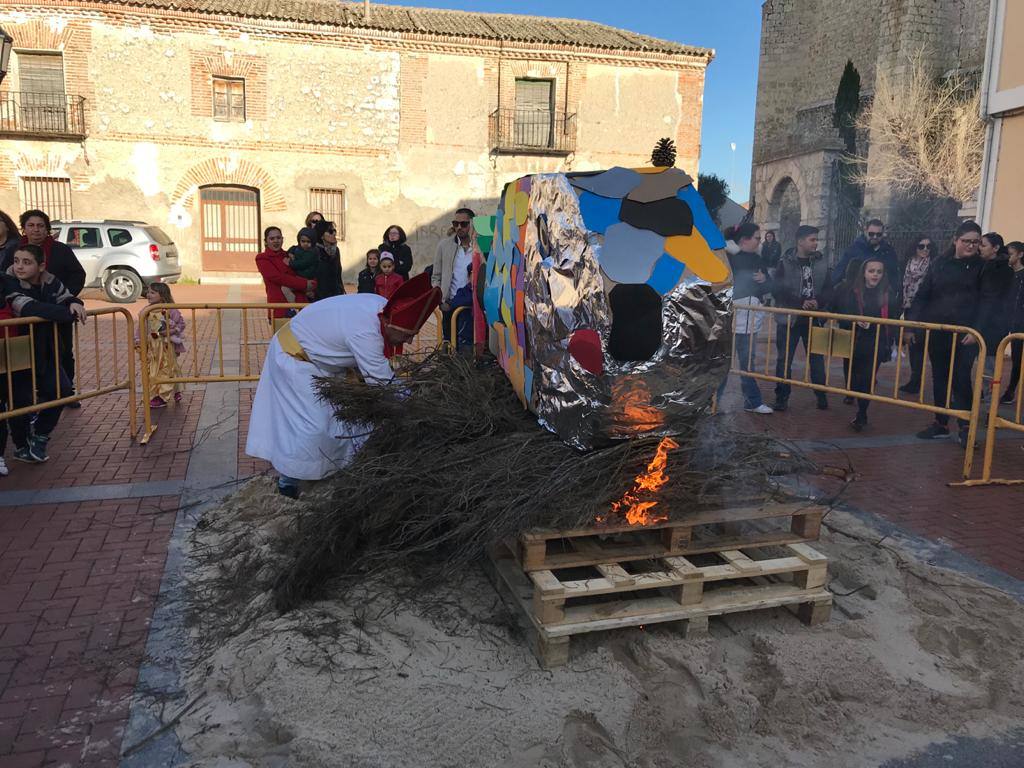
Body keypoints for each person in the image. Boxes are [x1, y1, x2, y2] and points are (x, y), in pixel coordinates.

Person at [245, 273, 441, 498]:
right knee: (312, 426)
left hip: (322, 360)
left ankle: (334, 471)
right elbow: (383, 383)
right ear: (391, 326)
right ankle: (289, 482)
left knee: (343, 419)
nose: (408, 342)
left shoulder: (382, 308)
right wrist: (416, 407)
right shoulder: (366, 333)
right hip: (296, 359)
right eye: (407, 335)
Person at [4, 243, 87, 463]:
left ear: (41, 266)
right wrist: (65, 313)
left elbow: (65, 296)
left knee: (62, 390)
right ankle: (21, 446)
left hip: (45, 349)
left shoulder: (51, 280)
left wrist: (74, 302)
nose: (19, 266)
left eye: (26, 262)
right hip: (16, 349)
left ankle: (39, 438)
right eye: (17, 261)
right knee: (19, 401)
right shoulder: (8, 282)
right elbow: (27, 307)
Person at [907, 221, 985, 445]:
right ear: (955, 240)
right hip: (938, 331)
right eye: (966, 241)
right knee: (939, 378)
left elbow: (987, 301)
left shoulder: (982, 267)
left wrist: (977, 330)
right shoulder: (939, 263)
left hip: (966, 334)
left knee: (961, 379)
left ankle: (966, 427)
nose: (971, 246)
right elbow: (922, 295)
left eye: (976, 242)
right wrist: (912, 325)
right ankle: (940, 423)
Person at [11, 210, 86, 407]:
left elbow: (76, 275)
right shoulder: (14, 251)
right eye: (31, 225)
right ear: (24, 229)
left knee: (63, 352)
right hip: (25, 320)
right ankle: (36, 396)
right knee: (27, 358)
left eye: (40, 225)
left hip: (57, 312)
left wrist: (69, 300)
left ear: (47, 228)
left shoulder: (61, 250)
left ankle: (66, 392)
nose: (36, 229)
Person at [770, 224, 831, 411]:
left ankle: (821, 395)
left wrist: (818, 301)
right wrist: (800, 302)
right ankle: (782, 396)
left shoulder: (822, 262)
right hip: (790, 318)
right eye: (812, 240)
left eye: (816, 240)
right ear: (800, 241)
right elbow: (778, 290)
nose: (816, 243)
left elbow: (830, 289)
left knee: (817, 360)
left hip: (815, 318)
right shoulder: (785, 262)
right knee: (784, 359)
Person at [831, 258, 893, 432]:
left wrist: (891, 339)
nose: (875, 275)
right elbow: (841, 311)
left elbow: (893, 319)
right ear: (863, 273)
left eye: (879, 272)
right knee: (853, 374)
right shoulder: (851, 291)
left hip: (876, 342)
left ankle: (862, 413)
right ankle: (852, 393)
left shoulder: (888, 293)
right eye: (871, 271)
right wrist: (854, 321)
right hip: (854, 340)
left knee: (867, 378)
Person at [721, 223, 773, 414]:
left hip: (751, 320)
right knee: (723, 363)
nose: (761, 241)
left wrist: (765, 280)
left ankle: (752, 401)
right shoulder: (727, 256)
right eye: (757, 238)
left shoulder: (757, 259)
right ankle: (712, 402)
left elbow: (770, 287)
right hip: (730, 318)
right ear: (744, 240)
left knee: (747, 362)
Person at [898, 236, 937, 393]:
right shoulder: (906, 264)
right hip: (907, 307)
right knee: (913, 346)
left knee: (926, 346)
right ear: (915, 247)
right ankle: (915, 380)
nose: (925, 250)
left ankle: (936, 383)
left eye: (929, 246)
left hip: (927, 310)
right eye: (921, 246)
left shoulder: (933, 264)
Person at [138, 282, 185, 409]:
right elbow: (142, 327)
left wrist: (170, 331)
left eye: (153, 292)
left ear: (162, 295)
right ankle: (159, 393)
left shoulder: (170, 309)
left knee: (167, 369)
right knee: (153, 371)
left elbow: (180, 324)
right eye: (148, 291)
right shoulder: (146, 311)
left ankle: (162, 397)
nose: (148, 294)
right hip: (152, 348)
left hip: (166, 347)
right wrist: (138, 340)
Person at [433, 207, 475, 344]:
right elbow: (436, 276)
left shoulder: (481, 246)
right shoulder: (444, 246)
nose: (459, 227)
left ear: (472, 224)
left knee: (469, 346)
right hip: (449, 304)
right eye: (455, 224)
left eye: (464, 224)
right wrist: (440, 300)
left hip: (473, 305)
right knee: (449, 344)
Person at [256, 226, 314, 320]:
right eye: (272, 238)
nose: (276, 241)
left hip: (301, 305)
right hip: (280, 308)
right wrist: (304, 284)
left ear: (282, 239)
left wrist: (312, 285)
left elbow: (304, 271)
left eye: (278, 238)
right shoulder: (262, 258)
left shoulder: (290, 254)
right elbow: (278, 278)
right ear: (266, 241)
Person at [977, 232, 1013, 374]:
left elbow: (992, 298)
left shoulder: (1003, 270)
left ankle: (987, 395)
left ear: (995, 248)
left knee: (989, 365)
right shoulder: (982, 265)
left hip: (993, 325)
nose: (979, 248)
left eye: (983, 245)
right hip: (981, 321)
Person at [831, 219, 899, 293]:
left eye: (878, 234)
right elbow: (840, 269)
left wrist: (895, 292)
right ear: (865, 231)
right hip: (857, 294)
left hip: (880, 294)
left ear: (882, 234)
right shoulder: (854, 249)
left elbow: (894, 274)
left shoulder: (888, 251)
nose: (875, 237)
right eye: (871, 234)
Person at [1001, 241, 1024, 404]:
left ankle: (1010, 390)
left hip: (1020, 322)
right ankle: (1000, 389)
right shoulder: (1007, 274)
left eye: (1010, 254)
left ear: (1020, 255)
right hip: (1007, 319)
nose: (1007, 258)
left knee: (1017, 358)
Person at [312, 220, 344, 300]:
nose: (334, 234)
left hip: (335, 295)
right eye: (330, 231)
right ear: (321, 235)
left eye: (334, 231)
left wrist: (341, 290)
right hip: (319, 296)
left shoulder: (336, 251)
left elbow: (338, 274)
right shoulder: (314, 251)